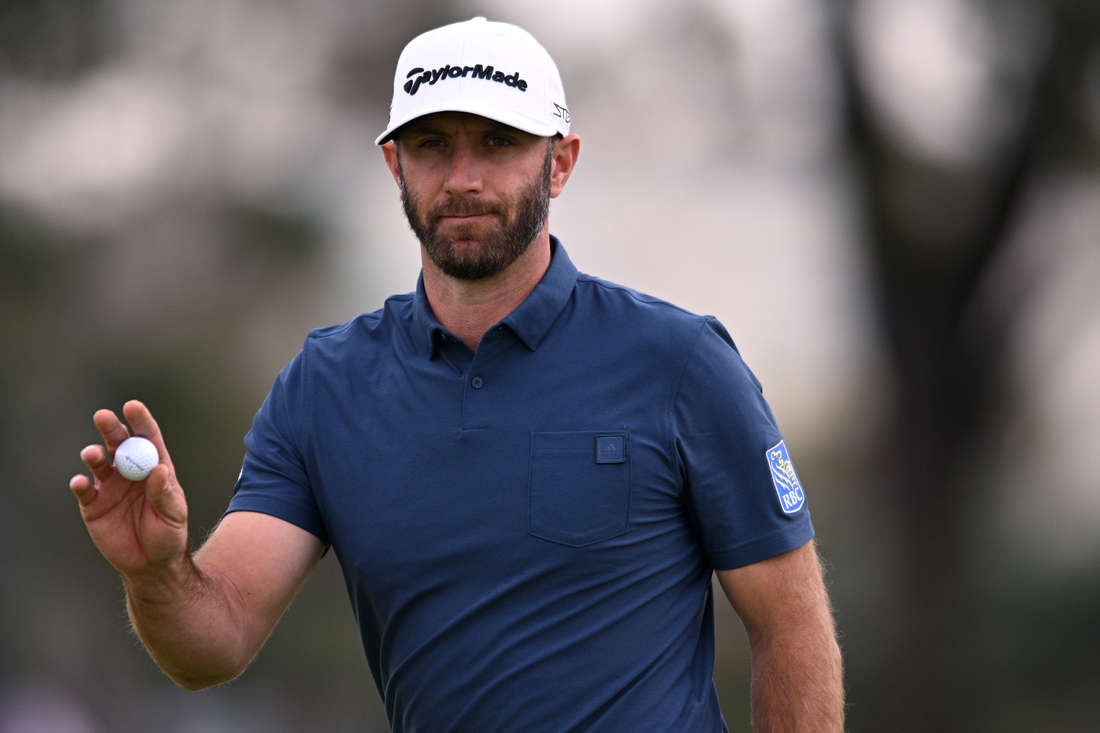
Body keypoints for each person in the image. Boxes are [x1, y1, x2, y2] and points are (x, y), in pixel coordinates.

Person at [70, 17, 843, 733]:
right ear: (393, 164)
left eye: (499, 142)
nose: (463, 177)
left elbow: (791, 625)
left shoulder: (682, 363)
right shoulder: (325, 387)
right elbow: (216, 641)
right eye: (432, 144)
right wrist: (160, 573)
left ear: (560, 161)